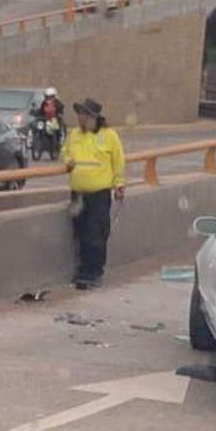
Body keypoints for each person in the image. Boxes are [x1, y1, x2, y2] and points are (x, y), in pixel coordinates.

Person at [61, 97, 125, 289]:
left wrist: (119, 184)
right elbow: (65, 152)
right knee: (80, 232)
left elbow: (118, 161)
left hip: (99, 193)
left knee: (95, 234)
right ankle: (82, 271)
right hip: (78, 192)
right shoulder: (74, 134)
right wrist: (67, 160)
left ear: (94, 117)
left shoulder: (109, 136)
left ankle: (94, 272)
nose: (80, 118)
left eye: (84, 115)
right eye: (79, 114)